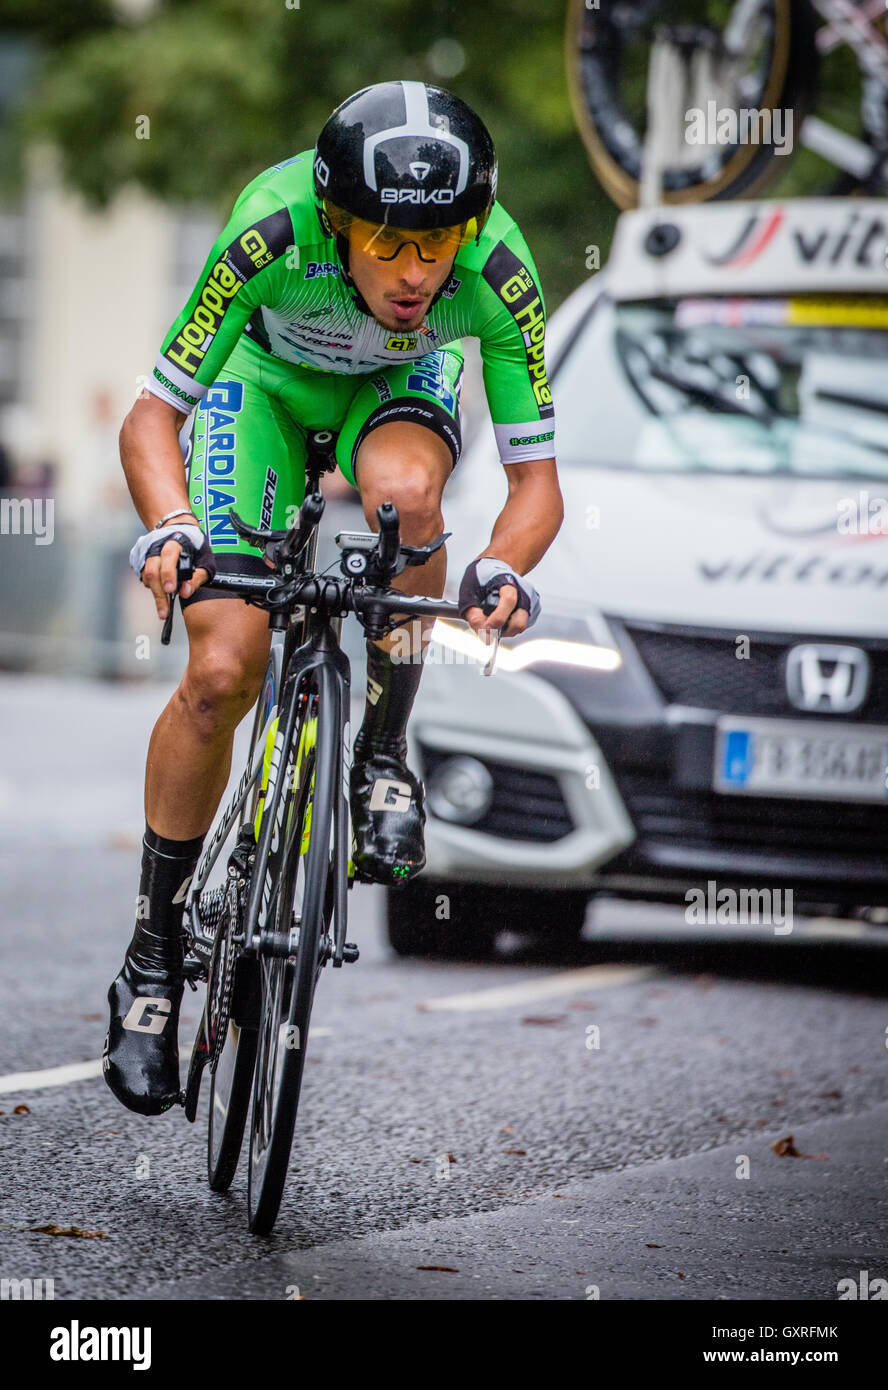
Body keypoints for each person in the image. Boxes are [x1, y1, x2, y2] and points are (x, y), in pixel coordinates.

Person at [104, 81, 564, 1114]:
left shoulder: (495, 273)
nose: (415, 273)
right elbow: (149, 418)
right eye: (389, 244)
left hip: (392, 401)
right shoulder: (269, 233)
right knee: (224, 666)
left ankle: (384, 753)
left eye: (437, 243)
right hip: (261, 391)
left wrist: (500, 565)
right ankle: (151, 957)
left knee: (408, 497)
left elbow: (536, 486)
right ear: (340, 224)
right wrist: (174, 524)